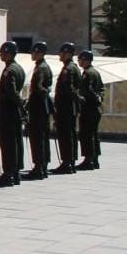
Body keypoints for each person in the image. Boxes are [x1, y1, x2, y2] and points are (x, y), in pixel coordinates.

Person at [0, 42, 26, 187]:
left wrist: (0, 107)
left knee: (8, 144)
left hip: (8, 111)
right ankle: (16, 172)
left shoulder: (9, 71)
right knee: (16, 142)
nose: (0, 55)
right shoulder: (19, 68)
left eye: (3, 53)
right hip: (14, 111)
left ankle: (8, 174)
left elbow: (10, 92)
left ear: (9, 53)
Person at [23, 41, 53, 181]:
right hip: (41, 106)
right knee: (42, 137)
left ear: (40, 53)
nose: (32, 54)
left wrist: (31, 102)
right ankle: (43, 166)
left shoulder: (41, 68)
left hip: (38, 107)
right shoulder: (42, 67)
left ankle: (39, 167)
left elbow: (39, 88)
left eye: (34, 52)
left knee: (38, 137)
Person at [52, 42, 82, 175]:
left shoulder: (68, 69)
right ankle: (70, 161)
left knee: (65, 135)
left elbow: (68, 89)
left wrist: (59, 104)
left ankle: (67, 163)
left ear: (69, 54)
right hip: (70, 107)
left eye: (63, 53)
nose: (60, 55)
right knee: (70, 134)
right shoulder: (73, 67)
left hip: (66, 107)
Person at [77, 50, 104, 170]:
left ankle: (88, 161)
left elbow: (87, 91)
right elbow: (102, 90)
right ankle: (95, 159)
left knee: (86, 134)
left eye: (80, 59)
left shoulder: (87, 73)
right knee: (94, 134)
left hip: (89, 108)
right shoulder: (96, 72)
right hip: (96, 108)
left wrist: (80, 97)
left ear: (86, 60)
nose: (79, 61)